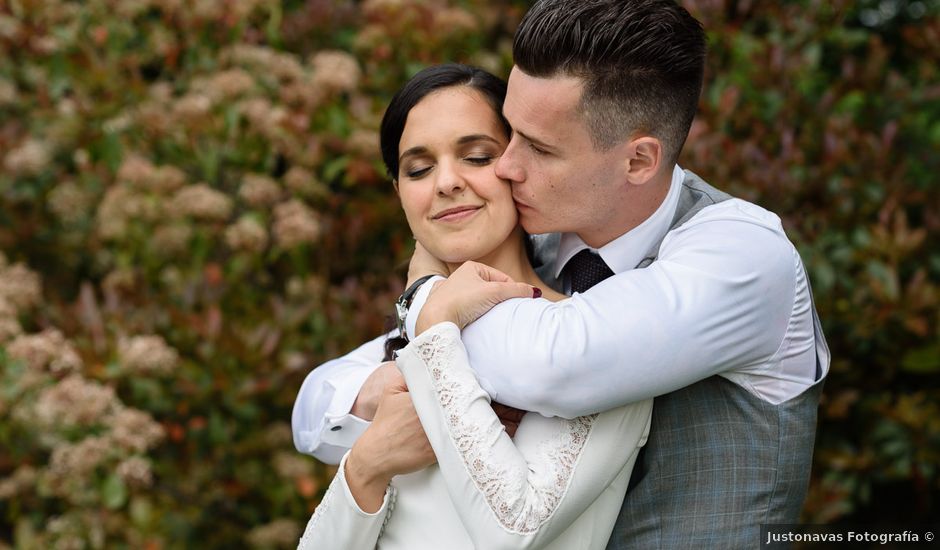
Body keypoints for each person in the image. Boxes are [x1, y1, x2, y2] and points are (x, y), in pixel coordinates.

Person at [294, 0, 830, 547]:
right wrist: (372, 396)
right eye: (510, 134)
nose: (506, 166)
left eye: (539, 147)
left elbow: (556, 362)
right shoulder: (543, 235)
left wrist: (427, 293)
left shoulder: (742, 254)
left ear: (638, 160)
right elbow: (319, 399)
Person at [296, 63, 653, 550]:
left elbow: (515, 531)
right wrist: (365, 466)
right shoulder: (406, 344)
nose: (446, 182)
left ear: (518, 166)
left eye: (477, 156)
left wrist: (434, 319)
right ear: (400, 194)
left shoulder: (596, 339)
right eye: (418, 169)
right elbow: (314, 410)